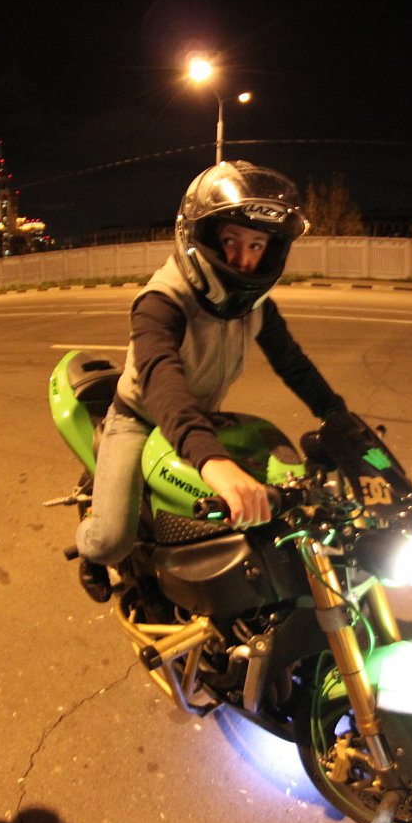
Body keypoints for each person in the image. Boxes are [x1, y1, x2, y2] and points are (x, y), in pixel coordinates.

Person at [74, 160, 347, 600]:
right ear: (200, 237)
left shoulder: (255, 307)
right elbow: (160, 378)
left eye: (256, 245)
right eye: (230, 240)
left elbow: (293, 365)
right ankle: (90, 542)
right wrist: (212, 460)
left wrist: (339, 418)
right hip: (140, 418)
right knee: (111, 541)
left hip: (200, 417)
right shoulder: (161, 301)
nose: (242, 258)